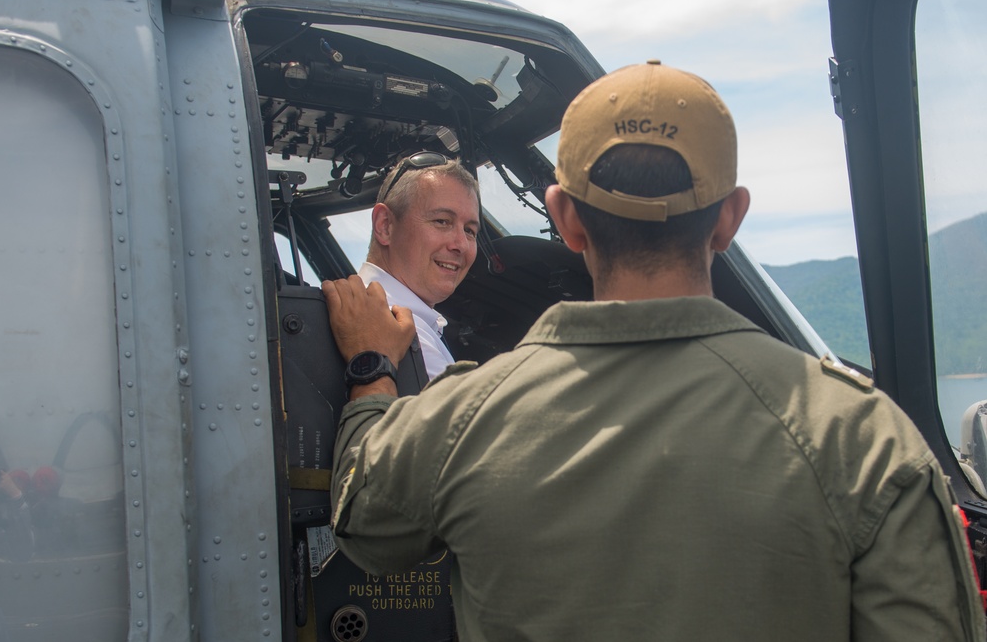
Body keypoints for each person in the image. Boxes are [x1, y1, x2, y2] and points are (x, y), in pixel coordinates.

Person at [321, 60, 985, 641]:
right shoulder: (865, 439)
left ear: (564, 216)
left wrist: (370, 371)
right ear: (729, 217)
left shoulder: (459, 419)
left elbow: (361, 521)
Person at [357, 152, 480, 378]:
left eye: (470, 231)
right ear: (385, 226)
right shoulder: (404, 334)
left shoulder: (377, 310)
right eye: (442, 221)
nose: (461, 245)